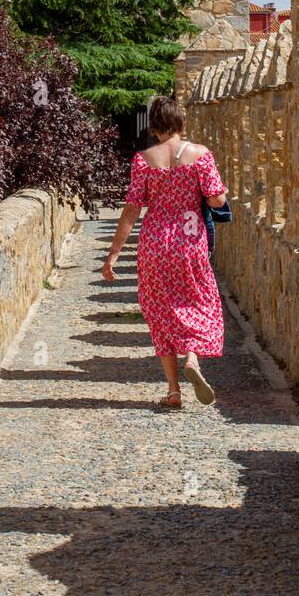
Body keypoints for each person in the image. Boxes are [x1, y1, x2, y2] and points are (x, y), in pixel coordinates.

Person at [102, 95, 227, 409]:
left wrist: (114, 253)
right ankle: (193, 359)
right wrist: (218, 193)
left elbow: (132, 209)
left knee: (161, 311)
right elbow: (216, 202)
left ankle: (173, 391)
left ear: (154, 126)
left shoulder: (143, 159)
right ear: (181, 123)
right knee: (200, 300)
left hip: (155, 242)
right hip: (190, 239)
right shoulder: (201, 155)